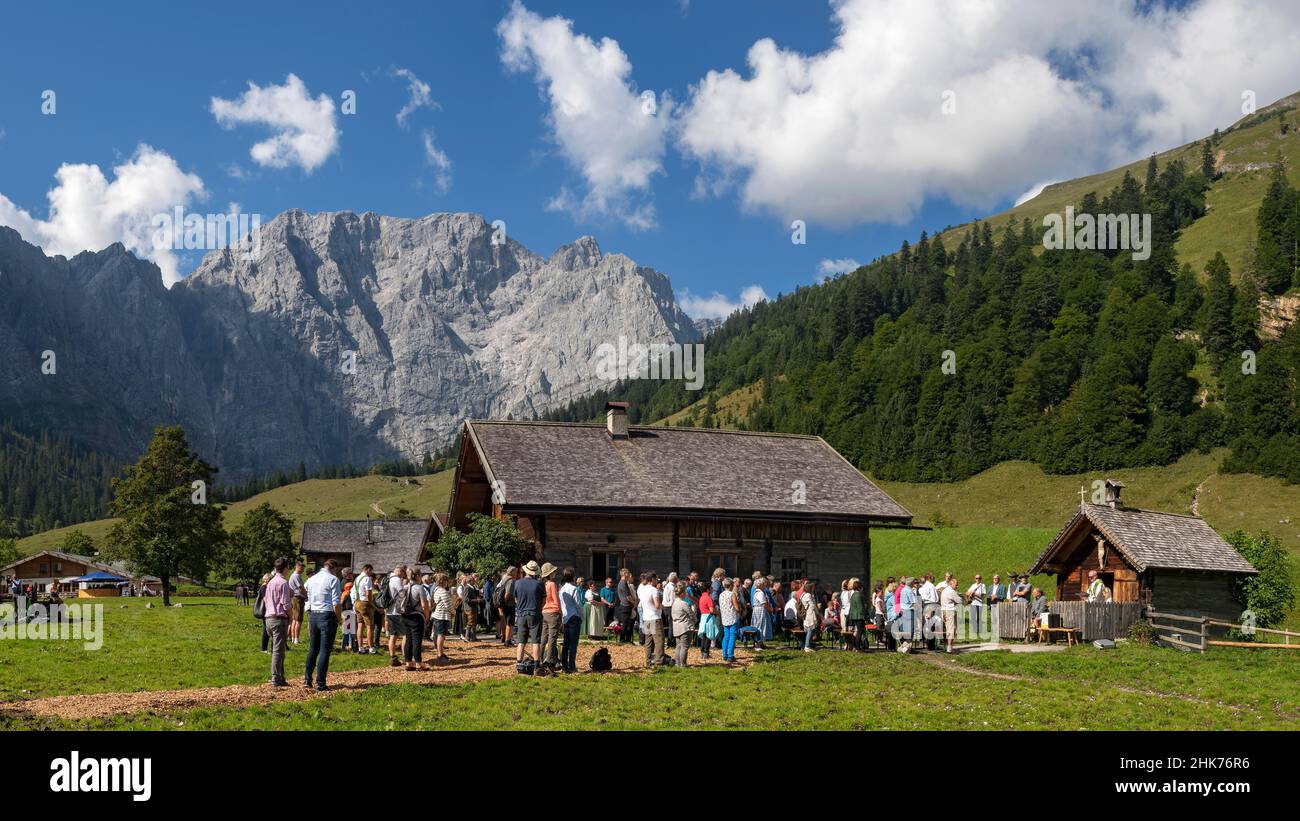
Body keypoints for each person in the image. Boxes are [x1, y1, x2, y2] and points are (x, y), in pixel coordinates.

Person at [303, 559, 341, 691]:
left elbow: (304, 592)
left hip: (313, 614)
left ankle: (307, 679)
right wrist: (339, 618)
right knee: (325, 650)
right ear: (334, 568)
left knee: (313, 649)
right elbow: (336, 602)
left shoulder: (312, 579)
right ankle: (320, 682)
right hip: (327, 614)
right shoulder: (333, 579)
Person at [263, 558, 292, 687]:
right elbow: (286, 604)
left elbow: (266, 600)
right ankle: (276, 677)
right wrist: (291, 617)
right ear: (285, 568)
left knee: (277, 649)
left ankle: (280, 676)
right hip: (278, 619)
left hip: (268, 618)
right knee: (278, 651)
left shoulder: (270, 582)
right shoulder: (283, 583)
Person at [513, 561, 544, 671]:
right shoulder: (539, 584)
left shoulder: (517, 583)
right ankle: (536, 665)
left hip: (521, 614)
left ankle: (519, 664)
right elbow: (543, 600)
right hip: (535, 613)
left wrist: (520, 605)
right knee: (535, 641)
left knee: (521, 642)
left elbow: (515, 598)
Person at [398, 569, 431, 671]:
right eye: (420, 575)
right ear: (417, 576)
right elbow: (424, 605)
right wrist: (426, 617)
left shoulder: (405, 587)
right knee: (417, 640)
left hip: (405, 616)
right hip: (416, 616)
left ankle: (408, 662)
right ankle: (418, 663)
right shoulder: (419, 588)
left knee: (408, 639)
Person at [538, 563, 562, 671]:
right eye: (553, 571)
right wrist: (560, 612)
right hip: (553, 611)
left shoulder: (543, 584)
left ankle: (539, 658)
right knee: (552, 638)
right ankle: (548, 660)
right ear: (550, 573)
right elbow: (556, 599)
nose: (555, 573)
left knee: (544, 637)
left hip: (545, 611)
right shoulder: (552, 584)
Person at [638, 572, 665, 666]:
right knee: (659, 640)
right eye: (656, 579)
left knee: (648, 641)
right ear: (652, 579)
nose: (657, 581)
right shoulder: (654, 590)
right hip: (655, 617)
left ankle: (648, 661)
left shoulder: (642, 590)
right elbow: (657, 605)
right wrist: (663, 606)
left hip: (646, 617)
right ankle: (659, 661)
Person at [559, 568, 583, 673]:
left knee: (566, 643)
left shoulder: (561, 589)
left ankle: (564, 666)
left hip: (565, 617)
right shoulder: (573, 589)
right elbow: (578, 605)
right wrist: (582, 616)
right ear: (573, 577)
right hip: (574, 616)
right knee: (573, 643)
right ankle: (572, 666)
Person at [385, 566, 408, 667]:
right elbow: (402, 594)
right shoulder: (397, 580)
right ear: (400, 572)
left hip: (390, 611)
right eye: (403, 573)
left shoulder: (388, 579)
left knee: (393, 635)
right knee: (406, 634)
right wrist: (406, 588)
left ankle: (393, 658)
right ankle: (406, 657)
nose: (404, 575)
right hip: (397, 611)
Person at [352, 564, 376, 654]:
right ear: (367, 569)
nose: (371, 573)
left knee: (360, 625)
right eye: (371, 571)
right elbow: (368, 593)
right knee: (370, 626)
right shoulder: (367, 579)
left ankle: (360, 648)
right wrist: (371, 603)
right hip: (365, 603)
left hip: (357, 602)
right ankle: (371, 648)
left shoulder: (357, 578)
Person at [671, 582, 697, 667]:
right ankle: (683, 664)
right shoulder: (684, 603)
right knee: (685, 646)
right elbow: (691, 614)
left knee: (678, 646)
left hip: (676, 626)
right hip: (685, 627)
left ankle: (677, 663)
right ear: (682, 594)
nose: (686, 594)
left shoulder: (674, 603)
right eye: (685, 592)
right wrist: (695, 620)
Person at [431, 572, 452, 662]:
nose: (447, 582)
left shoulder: (436, 590)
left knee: (439, 635)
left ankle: (441, 653)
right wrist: (453, 612)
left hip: (437, 615)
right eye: (446, 580)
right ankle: (440, 655)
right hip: (441, 616)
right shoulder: (442, 591)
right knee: (441, 636)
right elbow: (448, 605)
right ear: (442, 581)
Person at [718, 578, 739, 662]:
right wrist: (739, 609)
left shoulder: (721, 594)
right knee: (732, 636)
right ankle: (730, 655)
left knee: (726, 636)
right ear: (731, 585)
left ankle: (724, 654)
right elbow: (736, 607)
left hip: (724, 617)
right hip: (732, 617)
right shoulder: (732, 594)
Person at [940, 577, 962, 652]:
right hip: (950, 611)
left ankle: (946, 646)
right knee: (951, 629)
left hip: (943, 611)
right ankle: (949, 647)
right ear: (951, 584)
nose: (957, 586)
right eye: (956, 585)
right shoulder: (952, 591)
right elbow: (959, 600)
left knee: (946, 629)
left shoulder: (944, 590)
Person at [615, 568, 637, 643]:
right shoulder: (623, 583)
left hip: (625, 605)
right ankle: (622, 640)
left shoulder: (622, 582)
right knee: (625, 624)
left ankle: (625, 640)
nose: (628, 574)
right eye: (628, 573)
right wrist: (634, 603)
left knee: (626, 624)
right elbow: (628, 597)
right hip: (625, 606)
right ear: (624, 574)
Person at [288, 561, 306, 645]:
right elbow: (300, 588)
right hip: (298, 598)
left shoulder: (293, 575)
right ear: (297, 567)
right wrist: (306, 595)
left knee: (294, 619)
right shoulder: (296, 576)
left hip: (294, 598)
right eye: (302, 568)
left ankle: (292, 638)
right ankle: (296, 638)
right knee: (298, 619)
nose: (303, 570)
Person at [750, 577, 771, 651]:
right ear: (761, 585)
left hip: (757, 610)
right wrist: (770, 609)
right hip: (760, 611)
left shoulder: (756, 592)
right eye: (763, 584)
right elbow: (764, 604)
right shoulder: (760, 593)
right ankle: (757, 645)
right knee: (760, 627)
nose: (765, 585)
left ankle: (760, 643)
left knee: (759, 626)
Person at [498, 566, 517, 646]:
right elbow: (507, 593)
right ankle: (507, 640)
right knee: (510, 623)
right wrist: (504, 603)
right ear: (512, 572)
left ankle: (506, 638)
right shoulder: (511, 581)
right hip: (509, 605)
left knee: (506, 622)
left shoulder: (504, 579)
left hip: (504, 604)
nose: (517, 573)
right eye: (516, 572)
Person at [697, 583, 717, 658]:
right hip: (709, 617)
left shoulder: (701, 597)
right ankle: (706, 652)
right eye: (711, 588)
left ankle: (702, 651)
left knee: (704, 635)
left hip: (703, 617)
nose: (712, 589)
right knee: (709, 635)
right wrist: (718, 613)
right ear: (708, 589)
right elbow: (711, 610)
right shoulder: (708, 598)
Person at [846, 578, 866, 650]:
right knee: (859, 632)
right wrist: (865, 616)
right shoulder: (858, 595)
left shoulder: (853, 594)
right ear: (860, 588)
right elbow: (860, 607)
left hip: (853, 616)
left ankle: (854, 646)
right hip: (858, 616)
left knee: (857, 631)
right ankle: (857, 647)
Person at [255, 572, 272, 652]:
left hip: (266, 610)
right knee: (266, 630)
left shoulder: (264, 587)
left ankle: (265, 648)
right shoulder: (264, 587)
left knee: (267, 629)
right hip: (265, 610)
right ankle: (264, 648)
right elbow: (266, 598)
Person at [966, 574, 987, 638]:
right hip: (973, 603)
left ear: (981, 579)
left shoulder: (982, 585)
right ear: (975, 579)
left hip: (979, 603)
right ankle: (974, 631)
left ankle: (980, 631)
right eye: (976, 578)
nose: (978, 579)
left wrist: (973, 593)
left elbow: (981, 595)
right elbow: (967, 592)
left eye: (979, 578)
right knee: (973, 618)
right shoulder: (973, 585)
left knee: (979, 618)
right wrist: (970, 594)